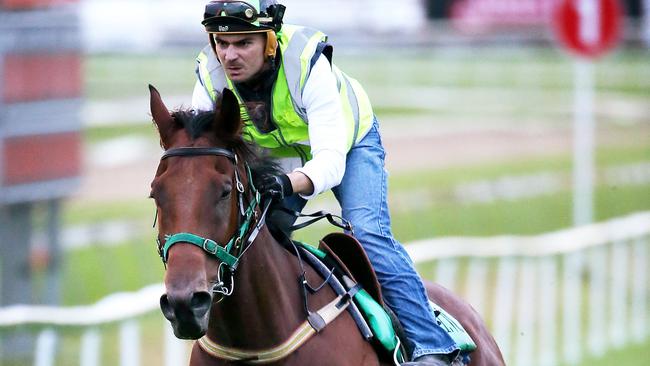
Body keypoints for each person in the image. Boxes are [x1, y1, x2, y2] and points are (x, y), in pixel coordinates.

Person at [191, 1, 459, 365]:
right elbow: (203, 151)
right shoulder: (209, 74)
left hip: (348, 143)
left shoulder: (307, 62)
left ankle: (432, 346)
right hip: (282, 152)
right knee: (249, 235)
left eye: (243, 43)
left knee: (367, 234)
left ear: (269, 41)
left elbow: (330, 164)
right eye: (221, 43)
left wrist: (285, 185)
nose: (229, 55)